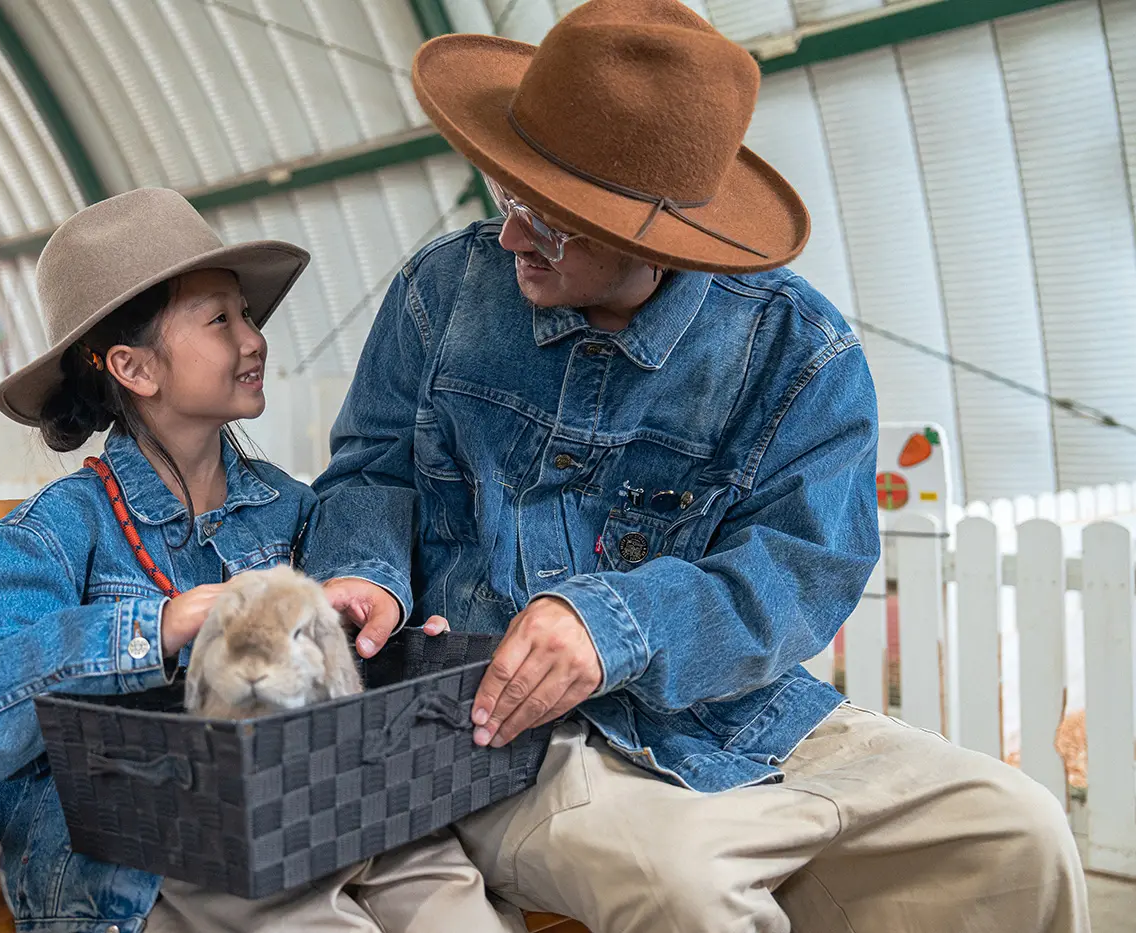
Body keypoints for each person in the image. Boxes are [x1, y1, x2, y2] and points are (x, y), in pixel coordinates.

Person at [301, 2, 1089, 931]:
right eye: (508, 195)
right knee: (686, 887)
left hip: (733, 716)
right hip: (495, 727)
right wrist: (363, 573)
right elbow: (370, 471)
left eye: (552, 223)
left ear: (652, 239)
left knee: (1019, 829)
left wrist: (617, 624)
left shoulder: (799, 350)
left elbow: (803, 569)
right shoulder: (441, 291)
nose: (512, 237)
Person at [0, 188, 521, 933]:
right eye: (220, 319)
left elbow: (356, 618)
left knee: (452, 895)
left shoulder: (292, 507)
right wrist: (159, 625)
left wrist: (384, 629)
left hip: (320, 804)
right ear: (135, 368)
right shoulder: (60, 530)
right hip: (157, 852)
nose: (254, 338)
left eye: (249, 315)